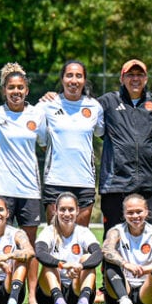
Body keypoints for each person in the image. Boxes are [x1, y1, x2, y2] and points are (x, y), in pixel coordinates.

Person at [0, 63, 47, 304]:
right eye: (11, 88)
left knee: (28, 247)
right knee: (0, 244)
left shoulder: (37, 115)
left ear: (27, 90)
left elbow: (43, 143)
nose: (16, 91)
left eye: (20, 87)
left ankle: (31, 296)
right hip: (2, 188)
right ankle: (0, 293)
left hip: (29, 189)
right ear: (4, 90)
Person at [97, 59, 152, 233]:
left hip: (147, 184)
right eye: (130, 75)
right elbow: (80, 106)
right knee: (113, 239)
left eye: (140, 75)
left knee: (151, 239)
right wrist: (56, 97)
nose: (135, 79)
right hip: (115, 184)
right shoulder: (107, 102)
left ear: (146, 79)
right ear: (122, 78)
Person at [38, 60, 103, 225]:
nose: (74, 80)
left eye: (79, 76)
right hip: (55, 180)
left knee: (80, 239)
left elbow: (101, 133)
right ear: (62, 79)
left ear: (84, 80)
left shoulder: (95, 106)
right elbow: (41, 139)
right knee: (54, 239)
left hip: (84, 181)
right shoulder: (47, 105)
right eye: (69, 75)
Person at [100, 194, 152, 304]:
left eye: (139, 212)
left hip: (147, 291)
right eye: (130, 212)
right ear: (124, 214)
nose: (135, 216)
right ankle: (124, 300)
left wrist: (149, 268)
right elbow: (106, 250)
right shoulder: (116, 231)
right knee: (110, 262)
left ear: (146, 212)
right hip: (122, 288)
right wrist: (125, 264)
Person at [35, 192, 101, 304]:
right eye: (62, 209)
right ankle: (58, 300)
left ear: (77, 211)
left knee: (87, 257)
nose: (67, 214)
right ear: (55, 210)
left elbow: (98, 254)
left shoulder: (83, 232)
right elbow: (39, 253)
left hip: (76, 289)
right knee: (49, 262)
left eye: (71, 209)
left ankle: (84, 300)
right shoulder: (49, 231)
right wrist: (63, 264)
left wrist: (80, 266)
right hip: (48, 295)